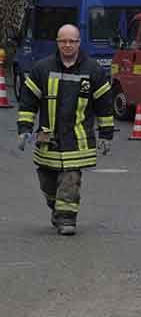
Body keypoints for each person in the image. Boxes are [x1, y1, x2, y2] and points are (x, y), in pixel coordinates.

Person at [16, 24, 114, 235]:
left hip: (77, 139)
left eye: (72, 41)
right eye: (63, 41)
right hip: (47, 138)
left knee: (70, 179)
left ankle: (67, 219)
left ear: (79, 43)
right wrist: (24, 129)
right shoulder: (42, 68)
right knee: (47, 182)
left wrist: (106, 134)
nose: (67, 45)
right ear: (57, 43)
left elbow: (104, 105)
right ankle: (56, 207)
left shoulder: (93, 70)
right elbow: (28, 102)